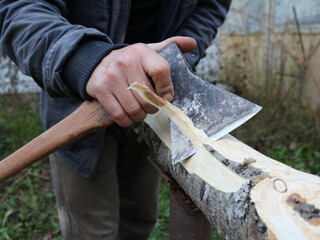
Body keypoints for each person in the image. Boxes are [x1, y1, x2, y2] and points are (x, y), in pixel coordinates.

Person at [0, 0, 232, 239]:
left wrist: (173, 60)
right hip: (75, 98)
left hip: (152, 105)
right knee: (92, 231)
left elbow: (211, 6)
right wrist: (84, 58)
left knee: (139, 218)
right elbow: (18, 8)